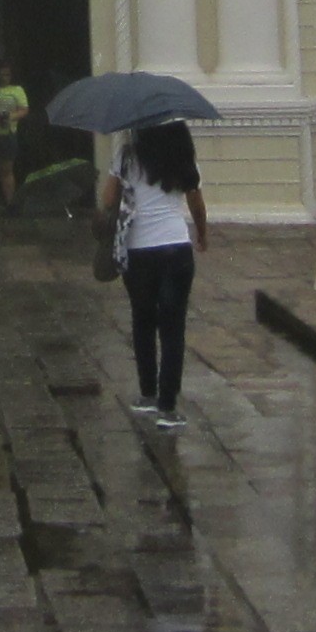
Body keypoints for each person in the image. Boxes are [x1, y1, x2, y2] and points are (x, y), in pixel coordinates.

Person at [101, 119, 208, 426]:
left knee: (143, 319)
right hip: (175, 248)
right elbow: (197, 206)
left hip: (138, 250)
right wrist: (202, 234)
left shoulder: (126, 157)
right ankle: (167, 406)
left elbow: (108, 200)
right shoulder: (182, 159)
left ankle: (147, 393)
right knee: (173, 327)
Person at [0, 72, 32, 216]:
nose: (4, 77)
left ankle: (10, 203)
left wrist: (9, 116)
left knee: (6, 169)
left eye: (7, 74)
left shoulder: (17, 90)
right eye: (1, 74)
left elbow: (24, 110)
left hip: (8, 132)